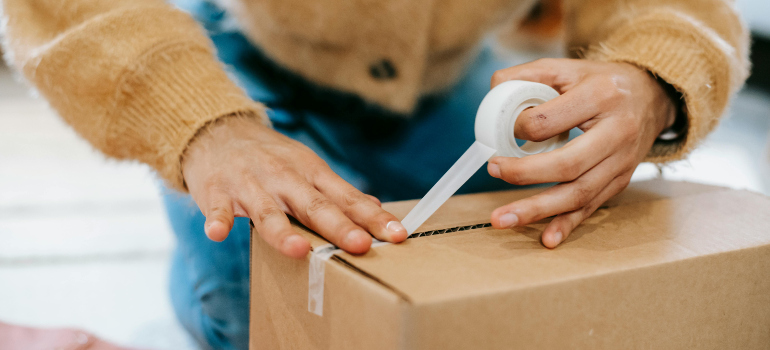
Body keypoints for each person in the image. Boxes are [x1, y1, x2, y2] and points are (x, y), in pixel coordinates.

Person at [0, 0, 750, 349]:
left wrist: (656, 78)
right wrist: (199, 125)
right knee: (258, 308)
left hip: (449, 85)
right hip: (241, 68)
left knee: (518, 277)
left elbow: (674, 8)